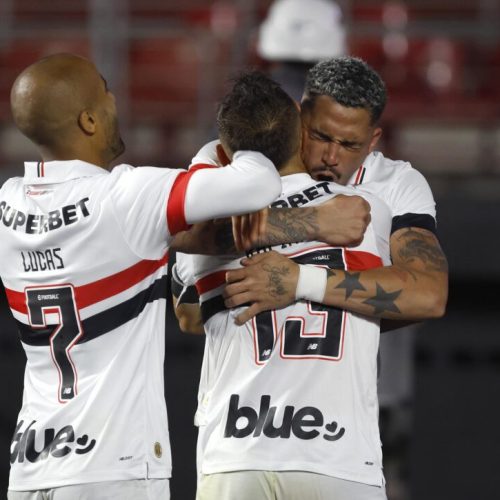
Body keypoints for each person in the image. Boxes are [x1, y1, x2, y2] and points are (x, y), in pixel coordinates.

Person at [0, 52, 287, 500]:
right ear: (89, 120)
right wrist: (222, 146)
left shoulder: (8, 202)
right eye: (105, 92)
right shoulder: (125, 196)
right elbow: (258, 181)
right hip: (112, 468)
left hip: (31, 469)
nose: (117, 101)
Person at [175, 70, 397, 500]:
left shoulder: (203, 235)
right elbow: (404, 294)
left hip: (235, 456)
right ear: (299, 127)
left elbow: (186, 317)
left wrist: (213, 169)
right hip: (338, 457)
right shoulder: (363, 213)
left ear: (227, 150)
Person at [224, 56, 448, 328]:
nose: (331, 156)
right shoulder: (259, 159)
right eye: (321, 136)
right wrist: (317, 222)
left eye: (349, 145)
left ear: (372, 141)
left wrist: (301, 282)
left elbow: (429, 295)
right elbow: (189, 239)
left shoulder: (395, 182)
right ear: (297, 115)